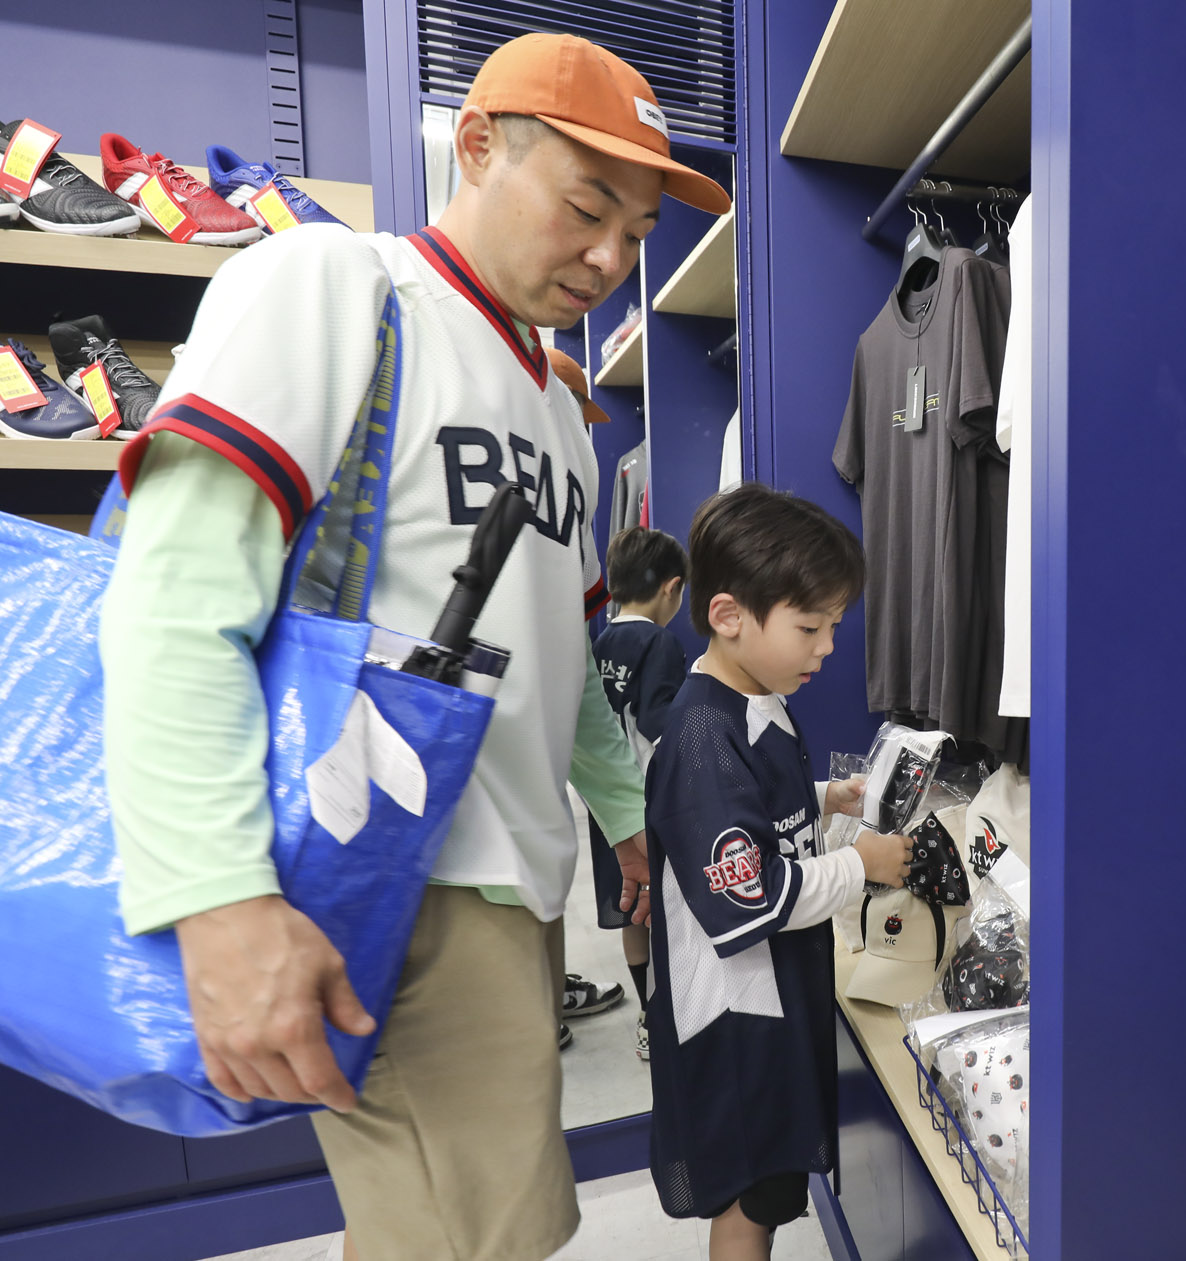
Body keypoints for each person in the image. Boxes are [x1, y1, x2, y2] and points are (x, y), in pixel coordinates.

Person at [98, 32, 731, 1261]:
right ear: (477, 147)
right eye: (586, 208)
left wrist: (620, 811)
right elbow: (173, 593)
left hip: (514, 877)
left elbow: (563, 653)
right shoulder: (336, 285)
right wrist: (215, 898)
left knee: (437, 1230)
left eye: (637, 232)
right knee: (480, 1236)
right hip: (395, 863)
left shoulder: (561, 406)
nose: (610, 257)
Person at [646, 484, 914, 1261]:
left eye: (833, 626)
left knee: (767, 1184)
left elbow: (758, 810)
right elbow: (750, 895)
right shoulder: (701, 737)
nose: (825, 647)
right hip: (735, 1016)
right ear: (729, 615)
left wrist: (826, 796)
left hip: (775, 997)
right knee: (749, 1197)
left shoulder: (757, 697)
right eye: (809, 627)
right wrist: (860, 863)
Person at [590, 526, 692, 1059]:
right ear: (672, 588)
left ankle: (648, 1016)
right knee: (664, 906)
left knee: (629, 904)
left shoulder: (599, 643)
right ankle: (670, 1012)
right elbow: (658, 724)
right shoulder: (662, 643)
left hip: (606, 805)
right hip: (650, 804)